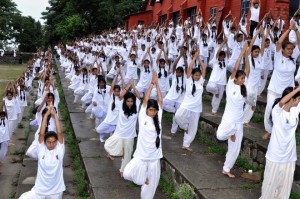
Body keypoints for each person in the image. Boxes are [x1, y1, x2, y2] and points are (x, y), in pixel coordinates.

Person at [123, 71, 163, 199]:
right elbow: (145, 99)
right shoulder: (143, 116)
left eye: (154, 110)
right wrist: (152, 82)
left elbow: (161, 100)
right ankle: (142, 179)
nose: (152, 112)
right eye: (150, 109)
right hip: (141, 155)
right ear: (146, 110)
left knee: (150, 188)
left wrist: (158, 85)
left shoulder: (158, 118)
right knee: (127, 174)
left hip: (154, 157)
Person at [260, 86, 300, 199]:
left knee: (284, 190)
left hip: (289, 157)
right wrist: (297, 90)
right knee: (269, 188)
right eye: (298, 99)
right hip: (275, 157)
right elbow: (283, 101)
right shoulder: (277, 112)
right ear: (292, 99)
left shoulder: (295, 110)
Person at [216, 42, 249, 178]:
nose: (243, 80)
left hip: (238, 122)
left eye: (244, 78)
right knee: (219, 135)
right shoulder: (231, 85)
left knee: (235, 148)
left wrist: (247, 55)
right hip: (228, 119)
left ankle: (227, 168)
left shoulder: (243, 86)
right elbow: (236, 69)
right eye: (241, 78)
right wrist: (242, 53)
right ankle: (230, 133)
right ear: (235, 78)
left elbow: (248, 68)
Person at [263, 21, 300, 139]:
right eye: (288, 49)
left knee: (286, 111)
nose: (290, 51)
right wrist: (289, 30)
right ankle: (269, 131)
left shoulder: (293, 58)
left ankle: (281, 131)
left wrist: (296, 30)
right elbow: (279, 42)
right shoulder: (278, 55)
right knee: (269, 110)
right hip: (274, 89)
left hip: (287, 91)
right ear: (283, 50)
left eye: (292, 49)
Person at [19, 104, 65, 199]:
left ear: (57, 142)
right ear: (45, 142)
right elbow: (42, 133)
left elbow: (59, 132)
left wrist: (55, 114)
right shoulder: (41, 149)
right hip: (40, 189)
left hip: (56, 191)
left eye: (53, 142)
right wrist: (46, 115)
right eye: (49, 142)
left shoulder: (60, 150)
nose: (51, 144)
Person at [104, 78, 141, 176]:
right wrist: (129, 85)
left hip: (130, 136)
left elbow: (138, 96)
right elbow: (122, 95)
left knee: (128, 154)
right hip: (119, 134)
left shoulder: (136, 108)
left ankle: (123, 170)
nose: (130, 103)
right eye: (128, 101)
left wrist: (133, 87)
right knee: (107, 145)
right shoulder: (121, 106)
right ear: (125, 102)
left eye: (131, 101)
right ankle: (120, 153)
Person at [175, 50, 206, 151]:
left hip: (196, 108)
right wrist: (194, 58)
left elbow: (204, 68)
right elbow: (189, 68)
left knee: (193, 127)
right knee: (178, 116)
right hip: (186, 105)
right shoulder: (188, 81)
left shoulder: (201, 81)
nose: (197, 76)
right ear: (192, 75)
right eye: (196, 75)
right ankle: (185, 126)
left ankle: (186, 144)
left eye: (199, 75)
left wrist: (199, 59)